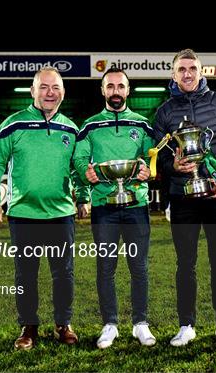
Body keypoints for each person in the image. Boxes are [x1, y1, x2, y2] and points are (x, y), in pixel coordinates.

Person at [0, 66, 88, 350]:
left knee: (64, 273)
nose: (50, 93)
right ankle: (28, 327)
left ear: (63, 93)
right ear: (33, 91)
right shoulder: (13, 124)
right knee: (25, 275)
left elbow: (78, 169)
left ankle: (63, 324)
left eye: (55, 88)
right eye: (44, 87)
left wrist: (82, 197)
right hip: (23, 214)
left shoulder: (71, 128)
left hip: (61, 214)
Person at [153, 49, 216, 348]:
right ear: (173, 74)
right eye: (181, 69)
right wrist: (172, 166)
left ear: (202, 72)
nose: (187, 74)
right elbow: (158, 158)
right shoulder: (165, 111)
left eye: (192, 68)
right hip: (181, 195)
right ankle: (186, 325)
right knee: (185, 263)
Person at [73, 68, 156, 349]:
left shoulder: (143, 124)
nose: (116, 91)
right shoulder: (90, 125)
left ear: (128, 90)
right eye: (110, 86)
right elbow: (80, 159)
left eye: (121, 86)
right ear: (103, 91)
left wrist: (147, 169)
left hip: (136, 205)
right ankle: (110, 324)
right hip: (103, 207)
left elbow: (151, 156)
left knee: (139, 267)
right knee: (106, 267)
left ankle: (140, 324)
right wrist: (87, 172)